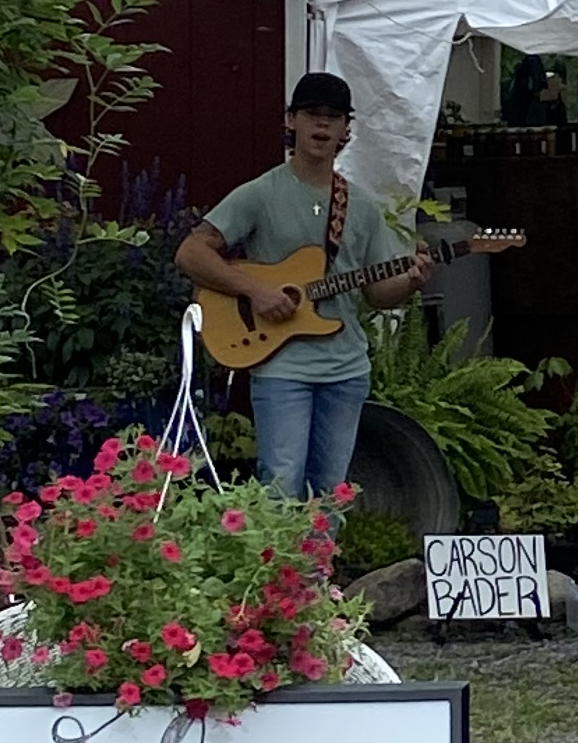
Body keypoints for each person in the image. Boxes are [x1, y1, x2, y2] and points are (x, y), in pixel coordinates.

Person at [175, 72, 431, 503]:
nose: (322, 124)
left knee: (331, 490)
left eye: (334, 116)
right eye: (313, 113)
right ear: (291, 119)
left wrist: (411, 282)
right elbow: (190, 252)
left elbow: (377, 294)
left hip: (346, 368)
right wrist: (255, 291)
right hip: (281, 367)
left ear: (346, 128)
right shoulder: (260, 193)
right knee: (281, 485)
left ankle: (321, 553)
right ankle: (278, 553)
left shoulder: (361, 205)